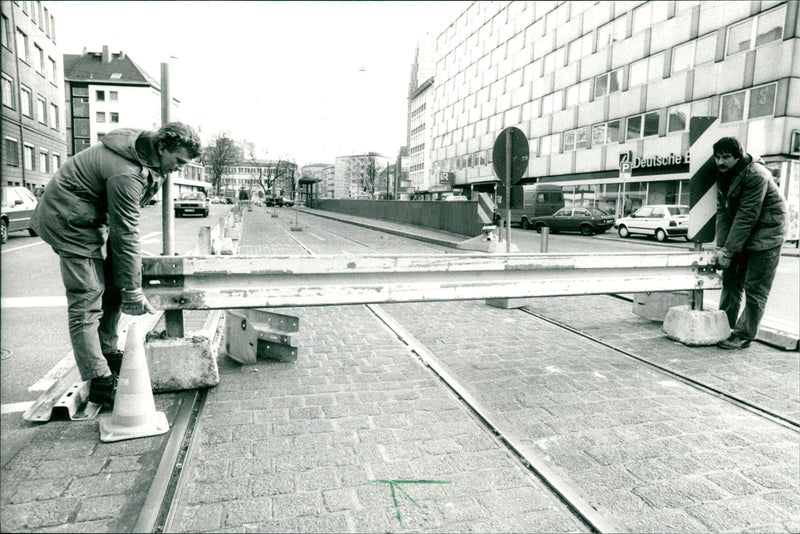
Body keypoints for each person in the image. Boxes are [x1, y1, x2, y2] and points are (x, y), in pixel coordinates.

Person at [31, 122, 202, 407]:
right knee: (87, 298)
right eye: (179, 161)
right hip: (68, 221)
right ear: (162, 147)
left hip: (90, 218)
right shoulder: (127, 172)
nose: (179, 169)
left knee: (112, 287)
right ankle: (99, 381)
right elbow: (125, 233)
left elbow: (122, 233)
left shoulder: (148, 157)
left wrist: (126, 285)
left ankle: (108, 353)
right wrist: (133, 290)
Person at [711, 137, 787, 349]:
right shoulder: (724, 174)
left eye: (726, 157)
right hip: (744, 233)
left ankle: (743, 335)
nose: (720, 162)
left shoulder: (757, 175)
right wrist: (721, 247)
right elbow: (723, 213)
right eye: (717, 157)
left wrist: (728, 251)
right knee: (731, 282)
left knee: (756, 288)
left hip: (767, 234)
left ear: (739, 155)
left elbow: (747, 215)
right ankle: (723, 328)